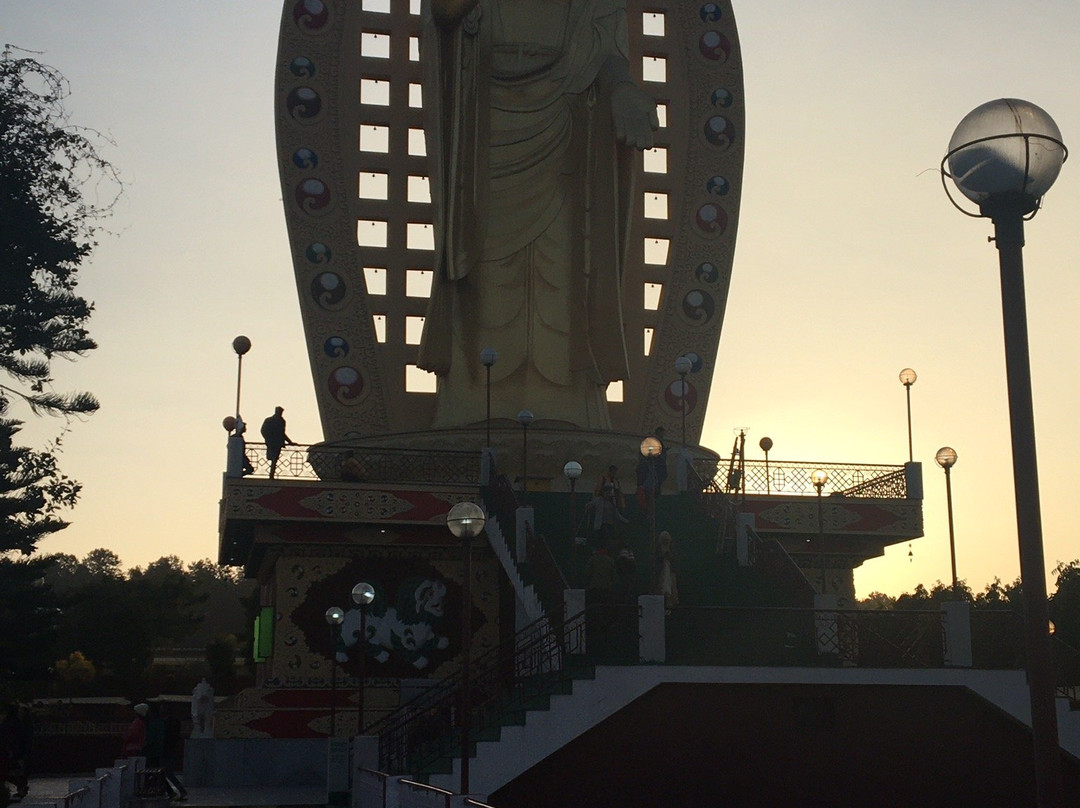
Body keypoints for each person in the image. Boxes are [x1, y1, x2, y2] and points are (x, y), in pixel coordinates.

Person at [417, 0, 659, 429]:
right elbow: (445, 16)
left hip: (565, 123)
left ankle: (570, 405)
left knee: (565, 267)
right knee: (483, 269)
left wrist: (622, 87)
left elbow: (608, 53)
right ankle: (470, 402)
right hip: (485, 127)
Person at [0, 704, 28, 802]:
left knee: (5, 772)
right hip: (15, 751)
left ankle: (18, 786)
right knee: (12, 771)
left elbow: (4, 738)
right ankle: (21, 786)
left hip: (7, 751)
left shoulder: (6, 724)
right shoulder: (19, 723)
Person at [260, 406, 293, 479]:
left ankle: (271, 474)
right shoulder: (269, 420)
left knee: (274, 458)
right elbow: (263, 431)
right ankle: (271, 475)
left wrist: (290, 442)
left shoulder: (281, 421)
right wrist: (268, 439)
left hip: (277, 443)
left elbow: (282, 433)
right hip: (272, 442)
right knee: (273, 458)